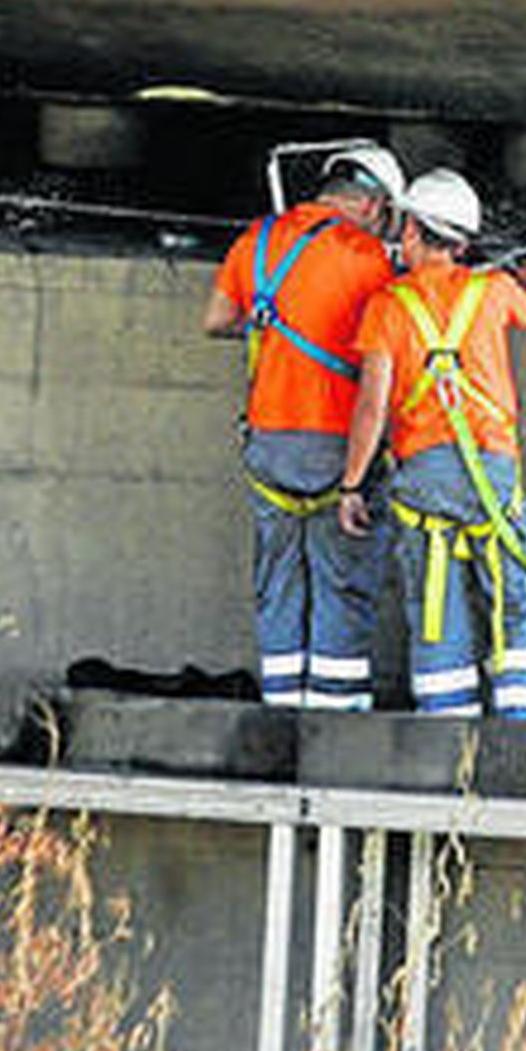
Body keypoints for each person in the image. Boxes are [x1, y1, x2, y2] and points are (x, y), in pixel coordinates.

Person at [337, 168, 526, 719]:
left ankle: (446, 735)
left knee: (434, 609)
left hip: (424, 479)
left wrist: (352, 485)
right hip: (493, 473)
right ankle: (522, 728)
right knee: (515, 598)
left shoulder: (388, 306)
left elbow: (371, 407)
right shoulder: (493, 291)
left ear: (411, 231)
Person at [203, 143, 404, 709]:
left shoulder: (257, 241)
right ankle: (333, 716)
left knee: (279, 584)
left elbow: (216, 320)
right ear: (372, 205)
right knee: (342, 579)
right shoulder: (368, 258)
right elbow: (387, 351)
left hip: (267, 442)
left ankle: (282, 709)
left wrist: (274, 322)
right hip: (339, 448)